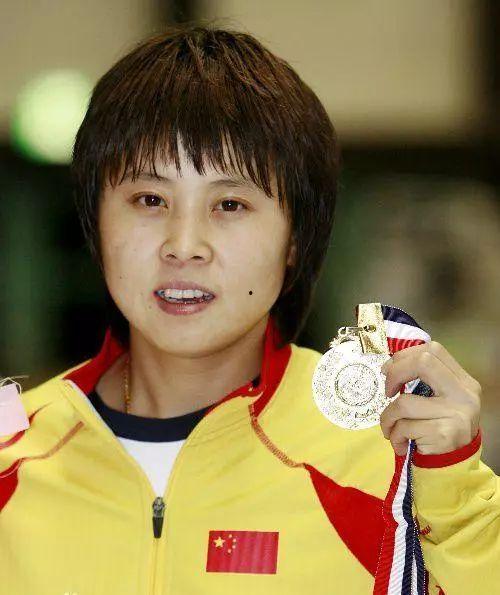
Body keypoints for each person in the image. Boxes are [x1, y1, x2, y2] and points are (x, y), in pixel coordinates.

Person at [0, 24, 498, 595]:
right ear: (96, 223)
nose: (184, 244)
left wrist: (456, 499)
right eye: (149, 199)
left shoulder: (388, 461)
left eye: (231, 204)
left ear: (295, 240)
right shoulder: (10, 458)